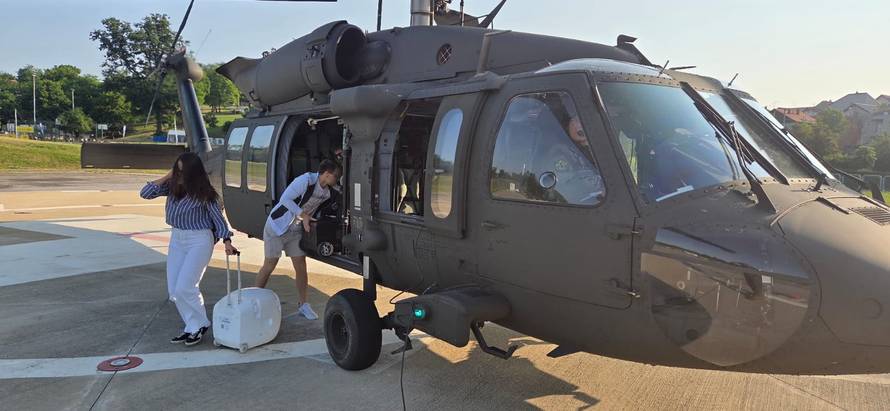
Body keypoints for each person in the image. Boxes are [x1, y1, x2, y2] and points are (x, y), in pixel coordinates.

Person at [140, 152, 238, 346]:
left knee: (186, 287)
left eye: (183, 172)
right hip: (177, 238)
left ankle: (199, 325)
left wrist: (227, 240)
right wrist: (168, 176)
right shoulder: (171, 187)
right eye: (177, 171)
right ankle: (192, 325)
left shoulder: (205, 194)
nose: (180, 176)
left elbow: (218, 220)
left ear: (194, 174)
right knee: (174, 291)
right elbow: (145, 193)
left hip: (199, 239)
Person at [255, 159, 341, 320]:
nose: (337, 180)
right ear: (327, 174)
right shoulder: (305, 180)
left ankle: (303, 305)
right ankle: (254, 300)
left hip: (295, 230)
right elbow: (285, 200)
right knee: (269, 265)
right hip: (277, 227)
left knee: (301, 265)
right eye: (336, 176)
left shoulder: (328, 191)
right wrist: (305, 216)